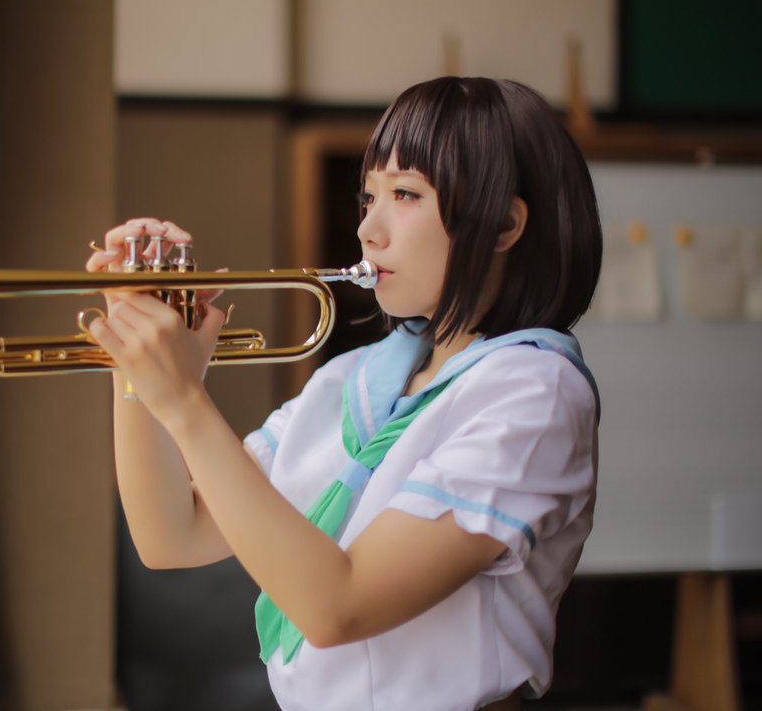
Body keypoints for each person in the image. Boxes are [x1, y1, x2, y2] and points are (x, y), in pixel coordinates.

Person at [84, 76, 602, 711]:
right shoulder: (353, 381)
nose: (368, 230)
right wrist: (134, 358)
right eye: (368, 197)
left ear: (503, 224)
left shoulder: (534, 392)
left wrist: (186, 402)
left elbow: (338, 606)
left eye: (406, 194)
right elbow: (170, 536)